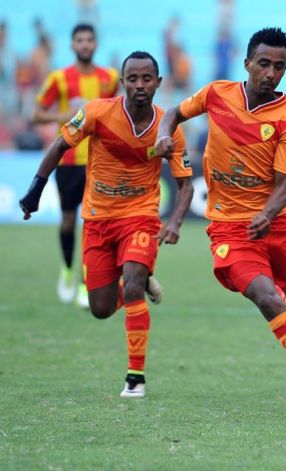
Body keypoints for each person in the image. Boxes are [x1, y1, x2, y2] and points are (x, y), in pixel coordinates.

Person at [155, 27, 286, 397]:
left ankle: (282, 295)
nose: (271, 73)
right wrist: (164, 134)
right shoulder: (216, 94)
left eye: (280, 67)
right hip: (229, 228)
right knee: (267, 298)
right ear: (247, 63)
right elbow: (174, 112)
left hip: (282, 225)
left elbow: (282, 185)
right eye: (264, 64)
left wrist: (268, 215)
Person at [19, 51, 194, 398]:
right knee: (100, 308)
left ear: (158, 83)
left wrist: (173, 222)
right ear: (122, 82)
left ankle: (135, 377)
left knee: (130, 284)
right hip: (98, 219)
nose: (140, 85)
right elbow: (58, 145)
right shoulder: (98, 112)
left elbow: (185, 184)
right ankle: (140, 281)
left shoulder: (169, 129)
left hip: (140, 217)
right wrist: (34, 192)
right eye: (133, 79)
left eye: (147, 79)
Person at [32, 24, 119, 308]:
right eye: (79, 40)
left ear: (96, 44)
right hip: (68, 160)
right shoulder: (59, 79)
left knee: (94, 224)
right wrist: (63, 114)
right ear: (72, 45)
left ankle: (86, 282)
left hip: (99, 162)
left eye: (89, 40)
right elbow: (36, 115)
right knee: (69, 221)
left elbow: (120, 111)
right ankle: (68, 268)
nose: (85, 45)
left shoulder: (109, 77)